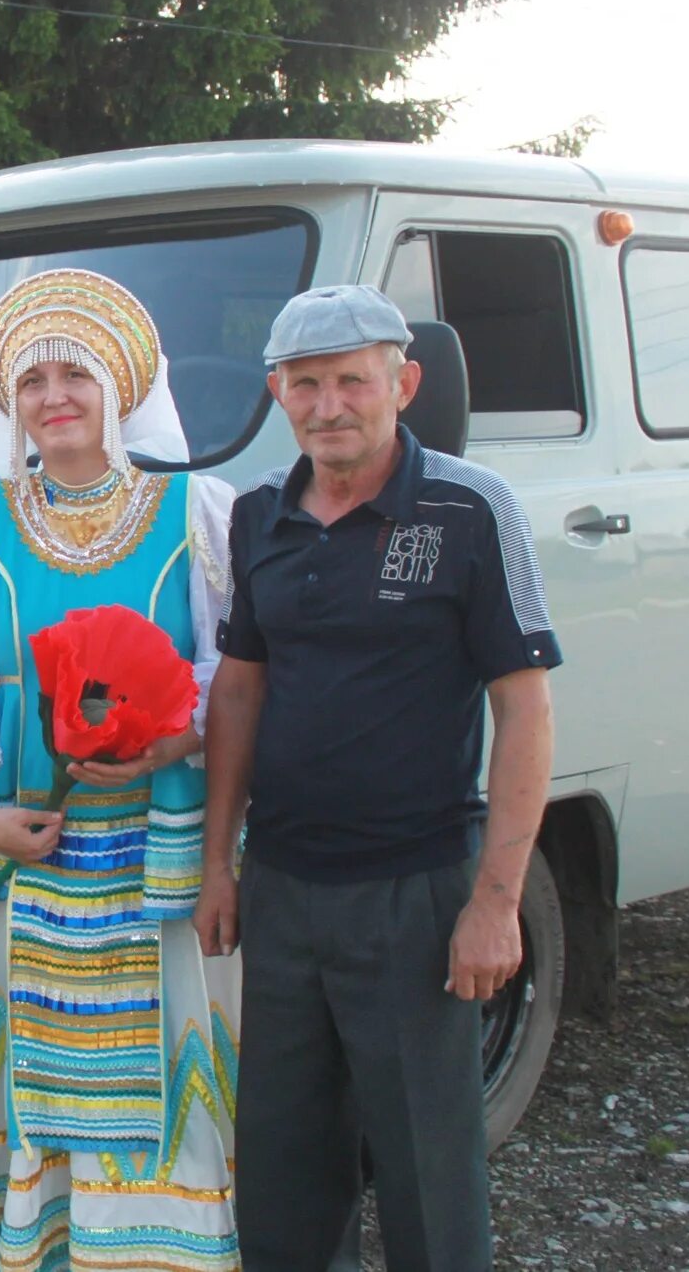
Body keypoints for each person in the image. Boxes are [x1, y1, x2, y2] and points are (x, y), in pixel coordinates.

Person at [196, 285, 561, 1272]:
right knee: (281, 1166)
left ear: (401, 383)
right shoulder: (261, 516)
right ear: (277, 394)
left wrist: (496, 901)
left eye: (351, 380)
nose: (329, 405)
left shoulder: (467, 508)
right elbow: (237, 692)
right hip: (282, 887)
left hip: (414, 891)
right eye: (305, 384)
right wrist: (219, 862)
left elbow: (522, 710)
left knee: (425, 1169)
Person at [0, 270, 243, 1270]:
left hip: (157, 830)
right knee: (29, 1044)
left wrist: (166, 739)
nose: (53, 395)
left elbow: (226, 669)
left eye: (74, 373)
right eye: (31, 380)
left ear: (118, 389)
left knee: (172, 1034)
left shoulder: (197, 507)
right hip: (30, 833)